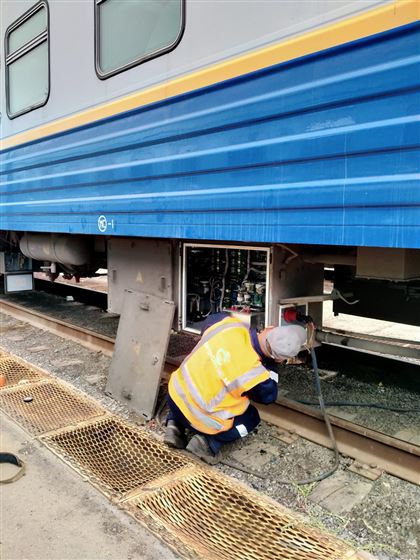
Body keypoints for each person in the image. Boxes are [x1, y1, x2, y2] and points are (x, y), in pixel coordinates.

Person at [164, 312, 307, 463]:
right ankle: (207, 444)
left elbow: (209, 322)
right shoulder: (256, 373)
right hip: (200, 420)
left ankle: (174, 424)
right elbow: (269, 397)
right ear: (279, 358)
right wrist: (271, 365)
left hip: (174, 395)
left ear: (270, 328)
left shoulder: (229, 325)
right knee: (251, 418)